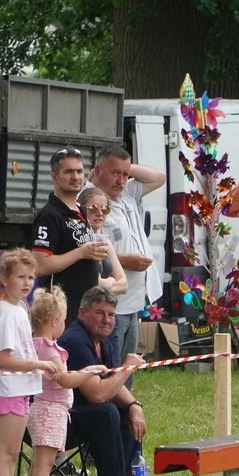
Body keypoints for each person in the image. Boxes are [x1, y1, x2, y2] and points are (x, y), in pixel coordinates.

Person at [0, 249, 62, 476]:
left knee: (12, 454)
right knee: (4, 455)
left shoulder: (19, 308)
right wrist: (39, 364)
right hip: (6, 389)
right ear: (4, 279)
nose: (27, 282)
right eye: (20, 276)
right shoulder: (4, 311)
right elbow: (3, 358)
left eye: (31, 277)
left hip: (19, 390)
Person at [26, 287, 107, 476]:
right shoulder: (51, 351)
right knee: (44, 465)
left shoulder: (34, 344)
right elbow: (65, 380)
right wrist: (88, 371)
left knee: (37, 464)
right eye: (63, 320)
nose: (65, 324)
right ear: (54, 322)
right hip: (50, 409)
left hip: (39, 407)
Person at [59, 287, 147, 476]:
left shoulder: (105, 339)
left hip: (83, 414)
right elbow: (97, 395)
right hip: (60, 418)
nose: (106, 320)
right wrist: (127, 369)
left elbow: (112, 383)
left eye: (111, 315)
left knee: (124, 410)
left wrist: (134, 405)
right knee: (107, 412)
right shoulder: (75, 340)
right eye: (99, 313)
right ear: (82, 313)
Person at [93, 146, 165, 386]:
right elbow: (92, 251)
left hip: (132, 300)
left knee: (127, 371)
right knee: (111, 371)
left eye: (125, 174)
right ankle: (115, 417)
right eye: (115, 173)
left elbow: (159, 177)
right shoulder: (90, 201)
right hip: (111, 301)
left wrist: (123, 167)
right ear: (97, 170)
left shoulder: (126, 193)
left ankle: (126, 416)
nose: (122, 180)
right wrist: (128, 261)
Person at [32, 148, 110, 326]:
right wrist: (81, 253)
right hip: (61, 314)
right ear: (54, 177)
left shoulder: (81, 210)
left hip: (85, 312)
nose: (75, 177)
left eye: (79, 171)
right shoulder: (49, 215)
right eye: (68, 172)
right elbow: (40, 265)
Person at [80, 187, 128, 295]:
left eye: (105, 209)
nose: (100, 213)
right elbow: (88, 283)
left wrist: (104, 285)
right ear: (81, 209)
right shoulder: (77, 238)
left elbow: (124, 285)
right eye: (93, 208)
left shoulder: (103, 240)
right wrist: (109, 282)